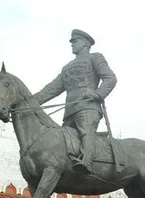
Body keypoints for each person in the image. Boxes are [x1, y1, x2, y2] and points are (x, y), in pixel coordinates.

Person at [33, 29, 117, 174]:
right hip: (70, 110)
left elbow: (110, 78)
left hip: (88, 107)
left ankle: (87, 163)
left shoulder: (95, 58)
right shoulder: (67, 68)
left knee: (86, 132)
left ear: (85, 44)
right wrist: (31, 102)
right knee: (65, 141)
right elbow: (52, 89)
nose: (72, 45)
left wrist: (98, 94)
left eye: (75, 42)